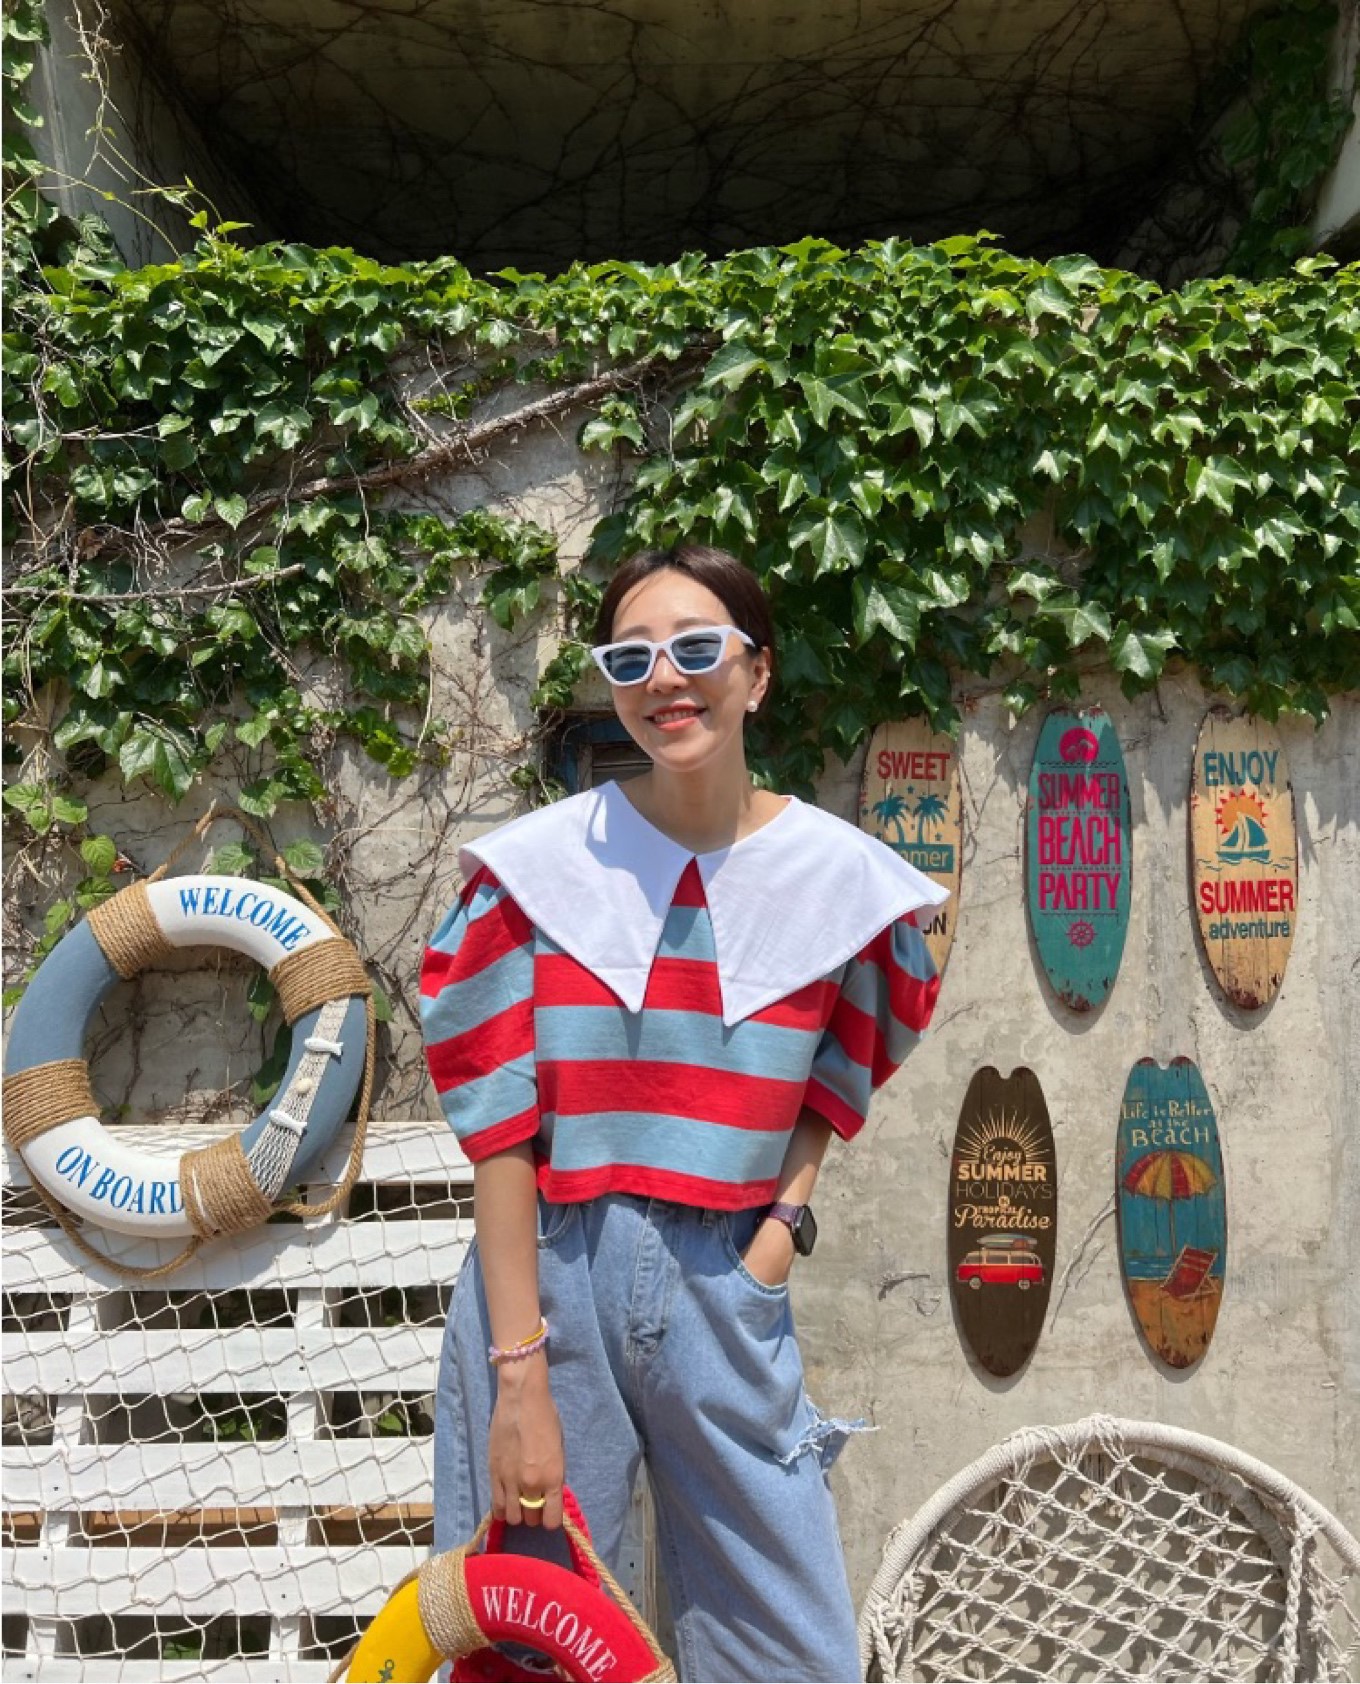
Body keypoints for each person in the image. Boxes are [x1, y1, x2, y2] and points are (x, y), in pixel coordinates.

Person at [420, 544, 947, 1682]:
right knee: (529, 1649)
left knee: (792, 1655)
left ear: (757, 672)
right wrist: (518, 1371)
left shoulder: (843, 880)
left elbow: (843, 1071)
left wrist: (777, 1233)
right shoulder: (539, 872)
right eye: (632, 658)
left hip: (726, 1282)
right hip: (548, 1281)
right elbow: (499, 1125)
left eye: (698, 648)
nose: (666, 677)